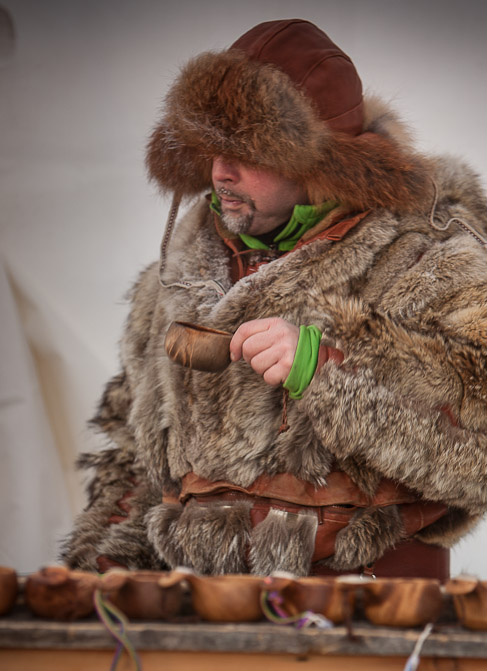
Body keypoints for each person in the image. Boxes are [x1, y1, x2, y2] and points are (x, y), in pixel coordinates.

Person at [62, 19, 487, 580]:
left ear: (322, 160)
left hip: (372, 610)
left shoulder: (430, 257)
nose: (220, 172)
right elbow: (137, 458)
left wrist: (325, 368)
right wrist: (100, 569)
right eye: (211, 147)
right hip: (206, 612)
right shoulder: (177, 277)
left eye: (247, 151)